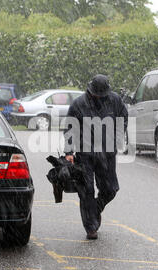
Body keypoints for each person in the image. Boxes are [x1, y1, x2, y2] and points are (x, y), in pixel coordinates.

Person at [64, 74, 128, 240]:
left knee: (111, 189)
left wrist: (117, 139)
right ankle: (90, 227)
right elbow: (70, 129)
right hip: (85, 154)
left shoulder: (115, 101)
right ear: (90, 90)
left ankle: (95, 209)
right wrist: (69, 152)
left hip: (107, 153)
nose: (99, 97)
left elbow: (123, 119)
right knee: (87, 190)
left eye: (102, 94)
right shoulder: (79, 104)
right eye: (96, 94)